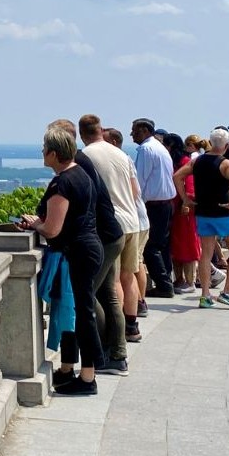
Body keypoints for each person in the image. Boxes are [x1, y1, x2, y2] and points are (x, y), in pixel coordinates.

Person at [20, 123, 122, 396]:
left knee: (83, 313)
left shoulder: (63, 182)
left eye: (44, 149)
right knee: (83, 311)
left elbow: (53, 229)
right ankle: (80, 371)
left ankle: (88, 378)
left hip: (79, 250)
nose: (42, 152)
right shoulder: (80, 174)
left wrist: (35, 225)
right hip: (90, 247)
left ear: (54, 153)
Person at [76, 114, 140, 370]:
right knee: (111, 292)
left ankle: (105, 350)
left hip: (106, 226)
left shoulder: (86, 156)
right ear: (101, 130)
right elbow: (135, 191)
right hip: (131, 222)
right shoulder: (120, 154)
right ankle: (119, 352)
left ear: (82, 134)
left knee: (90, 291)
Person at [176, 127, 229, 309]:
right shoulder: (227, 164)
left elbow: (177, 176)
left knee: (205, 254)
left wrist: (186, 199)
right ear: (226, 145)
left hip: (203, 212)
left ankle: (205, 295)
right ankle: (227, 291)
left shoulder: (198, 161)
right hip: (222, 212)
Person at [130, 118, 177, 299]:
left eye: (134, 130)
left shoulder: (146, 149)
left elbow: (139, 181)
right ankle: (166, 281)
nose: (132, 134)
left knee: (150, 248)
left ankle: (164, 285)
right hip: (165, 203)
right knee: (162, 245)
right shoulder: (159, 147)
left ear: (143, 130)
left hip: (154, 205)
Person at [164, 133, 201, 292]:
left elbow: (190, 183)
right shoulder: (172, 161)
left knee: (187, 243)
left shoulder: (185, 161)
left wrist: (188, 201)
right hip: (174, 207)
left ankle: (190, 281)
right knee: (176, 244)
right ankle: (179, 279)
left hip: (184, 207)